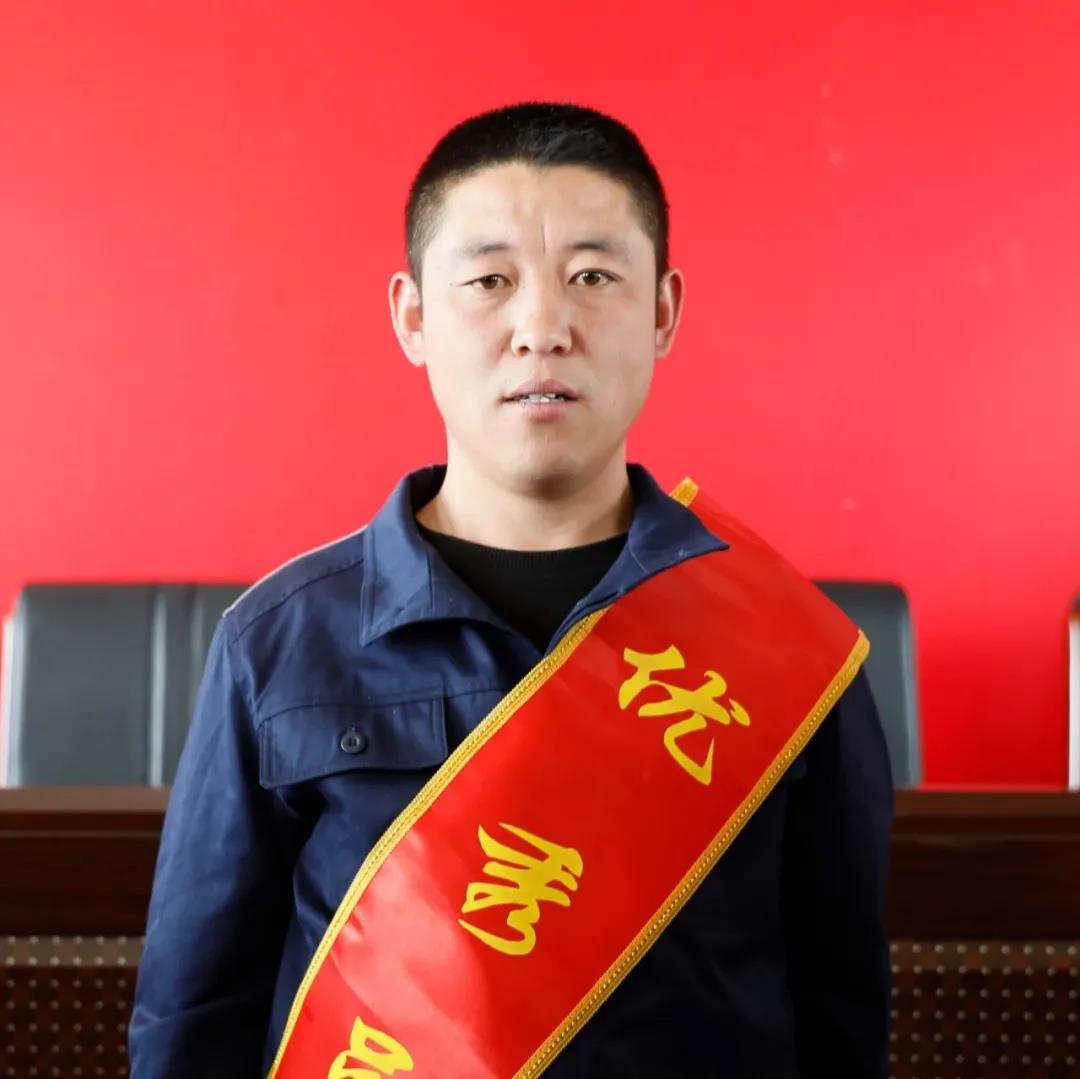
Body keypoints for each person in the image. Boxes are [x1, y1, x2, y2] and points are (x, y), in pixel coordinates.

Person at [129, 101, 893, 1078]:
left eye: (593, 277)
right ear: (413, 316)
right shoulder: (279, 646)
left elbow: (839, 1015)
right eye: (490, 280)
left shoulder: (785, 649)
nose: (542, 327)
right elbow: (194, 1022)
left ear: (663, 311)